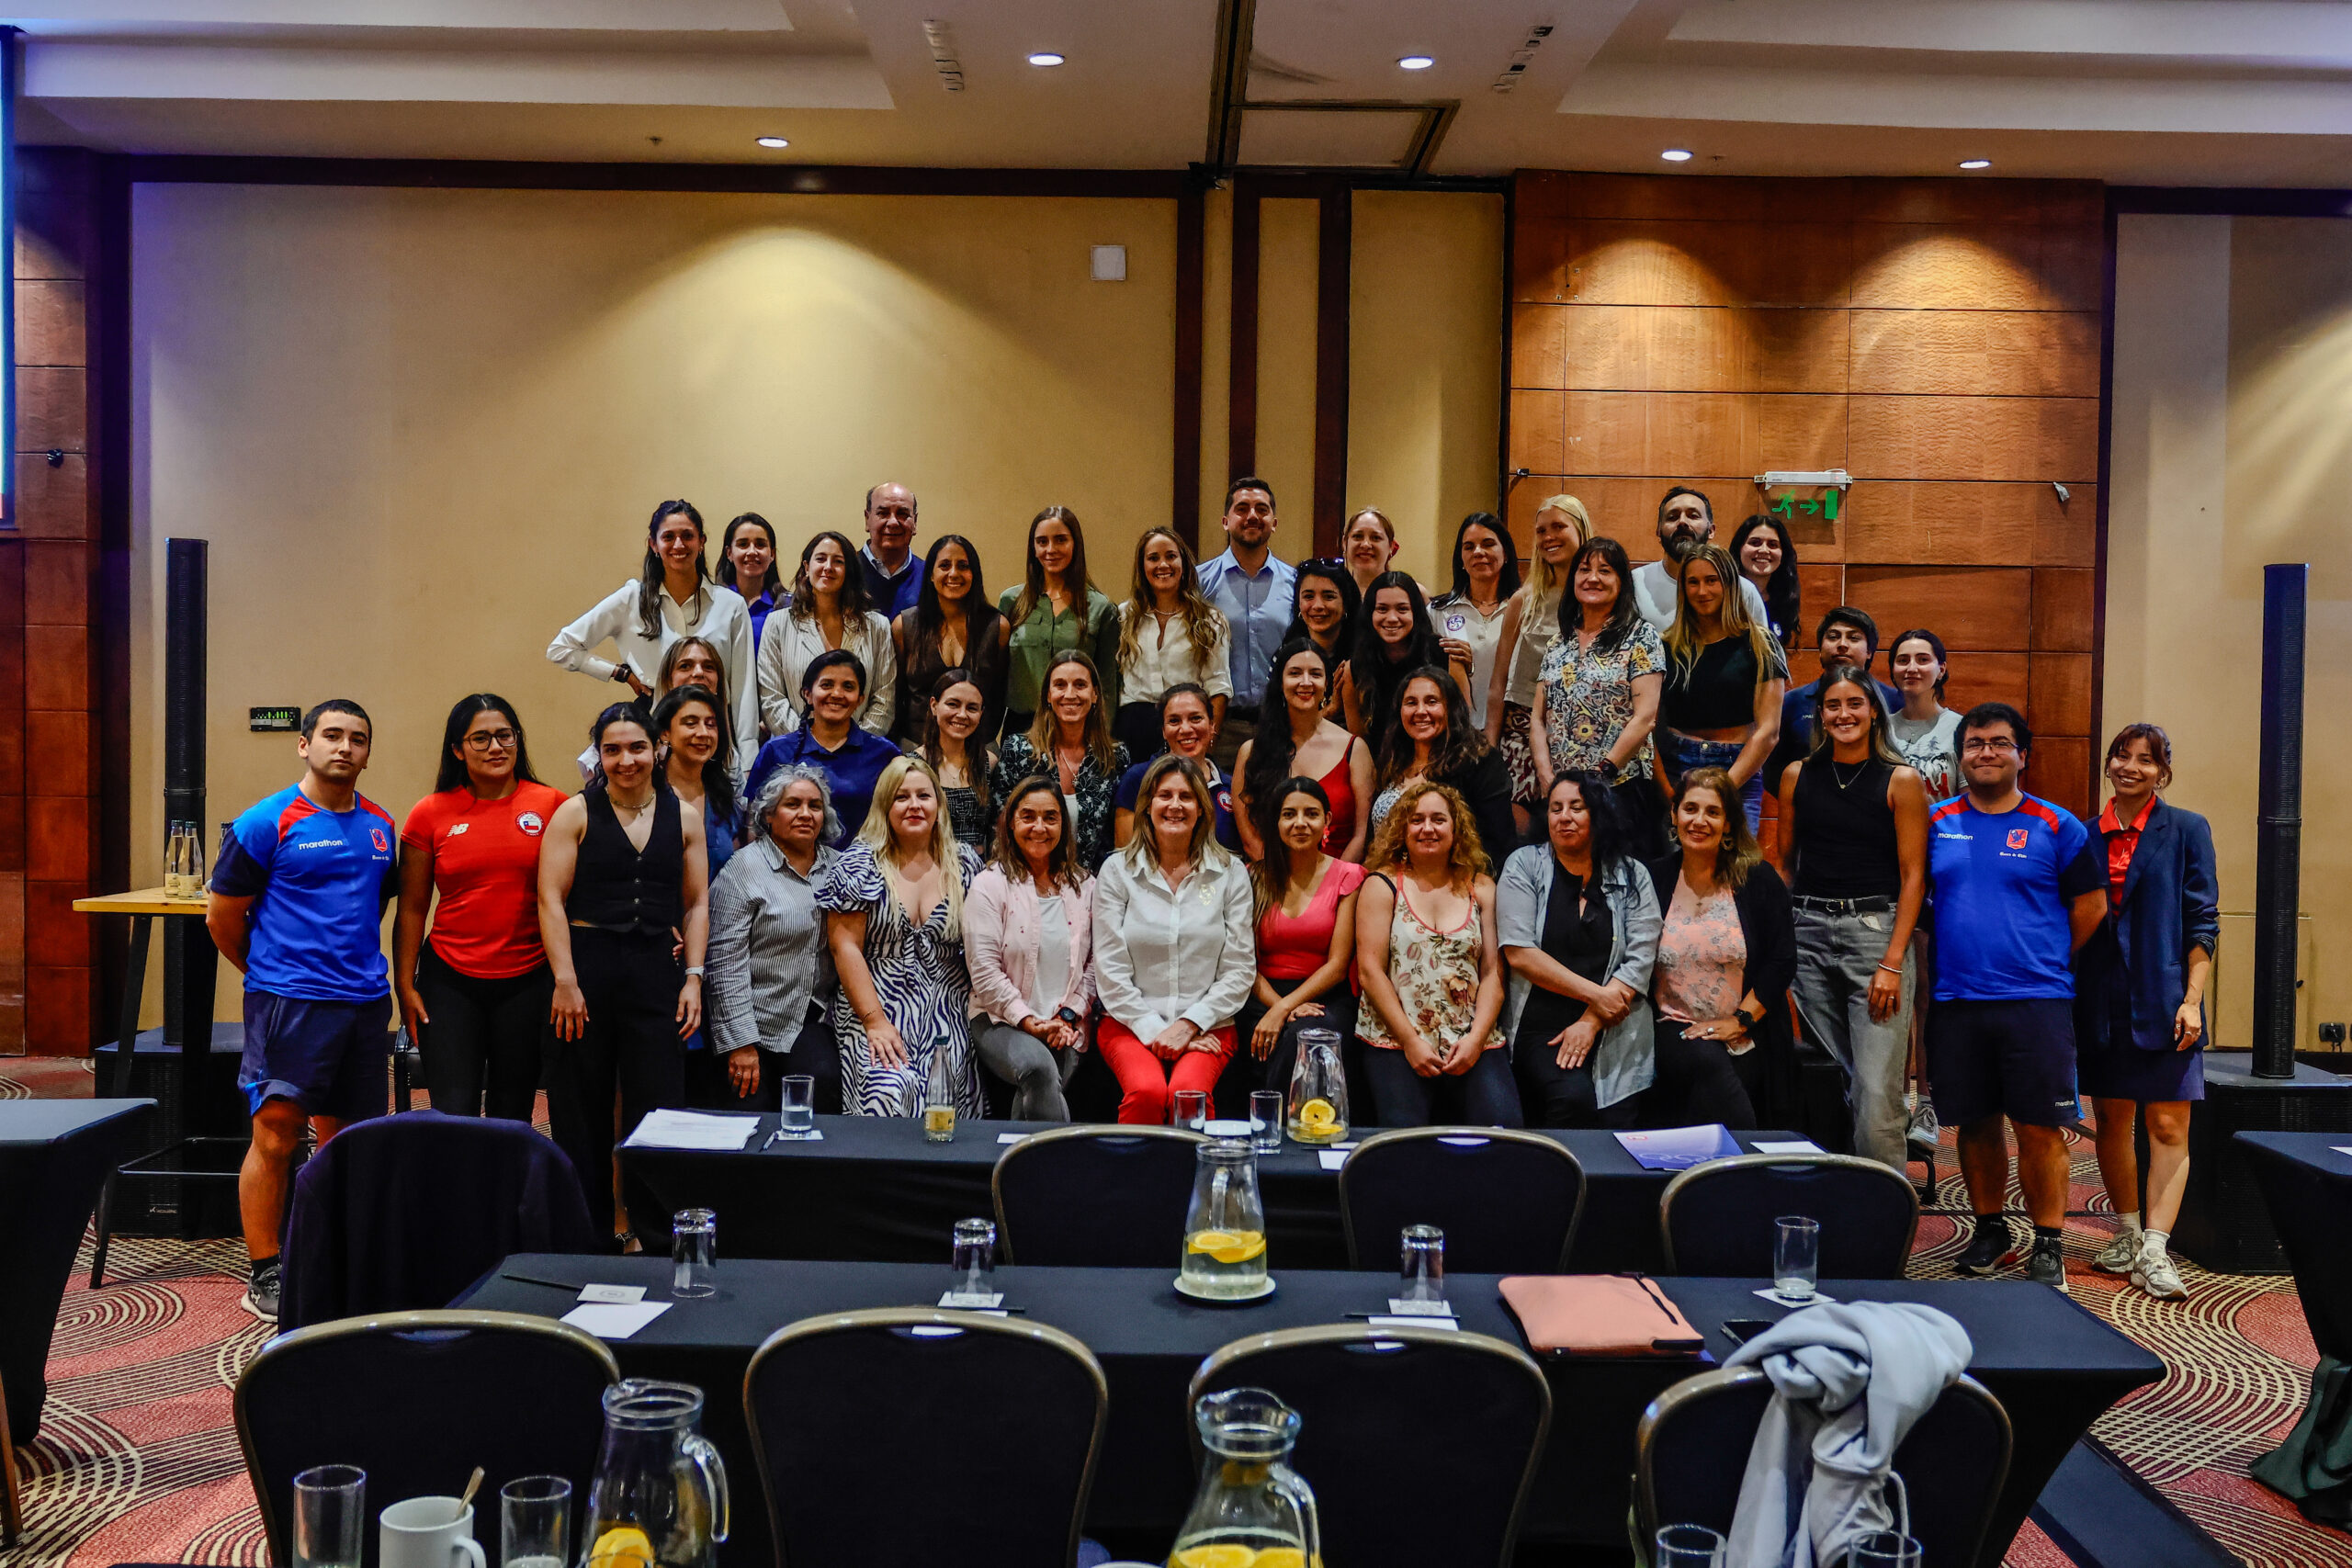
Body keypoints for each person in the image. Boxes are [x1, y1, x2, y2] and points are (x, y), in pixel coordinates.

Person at [207, 700, 399, 1321]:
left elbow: (372, 908)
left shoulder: (381, 825)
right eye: (332, 735)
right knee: (276, 1134)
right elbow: (223, 918)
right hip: (291, 1005)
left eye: (358, 738)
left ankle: (333, 1254)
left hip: (365, 1005)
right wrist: (272, 976)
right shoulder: (265, 822)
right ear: (304, 744)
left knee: (346, 1141)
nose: (345, 747)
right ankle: (267, 1268)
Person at [1928, 703, 2108, 1292]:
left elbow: (2091, 907)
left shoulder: (2058, 826)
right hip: (1956, 999)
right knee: (1974, 1125)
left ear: (2022, 756)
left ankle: (2050, 1239)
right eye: (1975, 743)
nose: (1986, 752)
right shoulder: (1937, 821)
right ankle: (1989, 1229)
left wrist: (2046, 956)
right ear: (1961, 756)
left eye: (1999, 743)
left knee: (2039, 1127)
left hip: (2036, 999)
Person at [538, 703, 709, 1247]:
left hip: (656, 971)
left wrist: (694, 977)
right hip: (585, 970)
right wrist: (565, 979)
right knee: (580, 1109)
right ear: (599, 754)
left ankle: (657, 1235)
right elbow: (549, 900)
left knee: (658, 1108)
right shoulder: (574, 813)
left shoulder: (683, 815)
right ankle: (583, 1237)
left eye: (636, 747)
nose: (625, 760)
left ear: (657, 747)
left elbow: (699, 902)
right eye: (612, 749)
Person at [1771, 665, 1930, 1170]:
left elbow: (1913, 877)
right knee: (1831, 1079)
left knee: (1877, 1091)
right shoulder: (1797, 774)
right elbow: (1785, 864)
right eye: (1833, 705)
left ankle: (1883, 1224)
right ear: (1820, 713)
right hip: (1809, 932)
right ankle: (1837, 1197)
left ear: (1873, 712)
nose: (1844, 714)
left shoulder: (1900, 780)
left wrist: (1893, 961)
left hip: (1874, 935)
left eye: (1854, 704)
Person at [2079, 724, 2217, 1303]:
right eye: (2122, 756)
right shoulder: (2082, 834)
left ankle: (2157, 1249)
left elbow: (2202, 921)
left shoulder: (2186, 829)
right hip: (2100, 999)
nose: (2131, 767)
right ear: (2109, 765)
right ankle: (2129, 1232)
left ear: (2163, 771)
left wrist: (2193, 999)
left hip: (2165, 1001)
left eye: (2146, 760)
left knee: (2167, 1126)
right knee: (2111, 1121)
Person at [393, 694, 566, 1123]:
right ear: (457, 749)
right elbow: (413, 908)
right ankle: (457, 1193)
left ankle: (507, 1193)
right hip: (450, 983)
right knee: (453, 1113)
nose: (496, 748)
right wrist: (405, 983)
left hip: (529, 981)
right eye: (481, 739)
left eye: (505, 736)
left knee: (514, 1112)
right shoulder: (429, 814)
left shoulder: (553, 806)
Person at [1091, 755, 1256, 1123]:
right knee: (1147, 1093)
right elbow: (1110, 971)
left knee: (1190, 1097)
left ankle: (1201, 1183)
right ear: (1147, 806)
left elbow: (1239, 969)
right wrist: (1157, 1032)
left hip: (1209, 1025)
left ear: (1201, 808)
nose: (1175, 805)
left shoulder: (1230, 873)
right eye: (1165, 795)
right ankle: (1131, 1182)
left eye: (1186, 796)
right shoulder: (1117, 871)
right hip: (1129, 1022)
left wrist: (1188, 1026)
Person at [820, 755, 985, 1117]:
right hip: (875, 1005)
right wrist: (874, 1020)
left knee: (946, 1092)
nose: (914, 806)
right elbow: (843, 946)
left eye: (923, 796)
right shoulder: (860, 864)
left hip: (947, 1009)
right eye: (901, 797)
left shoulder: (965, 863)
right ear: (885, 805)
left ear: (938, 805)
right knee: (891, 1088)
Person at [548, 500, 758, 781]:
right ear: (653, 544)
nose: (679, 545)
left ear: (702, 542)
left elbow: (742, 688)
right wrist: (620, 673)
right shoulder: (632, 599)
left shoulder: (730, 605)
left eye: (687, 536)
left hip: (712, 740)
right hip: (653, 740)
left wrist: (747, 758)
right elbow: (561, 648)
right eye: (668, 537)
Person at [1498, 773, 1661, 1128]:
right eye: (1556, 808)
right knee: (1573, 1100)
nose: (1564, 817)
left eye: (1577, 807)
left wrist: (1591, 1019)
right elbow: (1519, 952)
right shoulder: (1525, 864)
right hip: (1541, 1026)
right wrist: (1595, 995)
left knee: (1618, 1123)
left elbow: (1640, 959)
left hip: (1615, 1027)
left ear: (1598, 814)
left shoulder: (1634, 874)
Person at [1354, 782, 1520, 1127]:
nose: (1427, 828)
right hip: (1396, 1039)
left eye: (1438, 819)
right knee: (1406, 1145)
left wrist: (1475, 1041)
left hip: (1471, 1038)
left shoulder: (1482, 886)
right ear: (1403, 828)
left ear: (1455, 828)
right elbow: (1370, 971)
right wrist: (1412, 1042)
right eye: (1417, 820)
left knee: (1505, 1134)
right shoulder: (1381, 884)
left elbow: (1493, 973)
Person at [1645, 767, 1796, 1131]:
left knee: (1720, 1087)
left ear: (1728, 823)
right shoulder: (1652, 878)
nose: (1699, 821)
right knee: (1707, 1064)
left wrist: (1739, 1021)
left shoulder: (1758, 879)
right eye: (1690, 809)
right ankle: (1749, 1171)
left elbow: (1782, 959)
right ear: (1674, 814)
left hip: (1746, 1028)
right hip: (1672, 1027)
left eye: (1713, 812)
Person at [706, 764, 842, 1113]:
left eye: (814, 805)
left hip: (813, 1019)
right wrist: (741, 1044)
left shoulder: (841, 869)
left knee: (821, 1092)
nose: (805, 814)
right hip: (755, 1022)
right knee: (751, 1114)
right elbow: (724, 964)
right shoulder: (743, 870)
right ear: (768, 815)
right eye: (792, 804)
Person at [1230, 777, 1366, 1114]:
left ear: (1327, 822)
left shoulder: (1349, 876)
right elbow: (1245, 960)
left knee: (1304, 1035)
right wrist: (1278, 1007)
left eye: (1311, 814)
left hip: (1325, 997)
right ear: (1276, 822)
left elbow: (1337, 965)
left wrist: (1284, 1011)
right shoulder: (1253, 877)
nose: (1300, 823)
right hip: (1261, 994)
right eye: (1289, 814)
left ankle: (1269, 1128)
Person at [966, 775, 1097, 1121]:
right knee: (1038, 1069)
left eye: (1050, 817)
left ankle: (1012, 1169)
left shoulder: (1086, 886)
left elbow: (1098, 963)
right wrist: (1029, 1022)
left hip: (1068, 1024)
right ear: (1011, 823)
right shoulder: (989, 885)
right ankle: (1061, 1170)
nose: (1039, 827)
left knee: (1037, 1091)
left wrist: (1067, 1016)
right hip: (1000, 1021)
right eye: (1028, 816)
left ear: (1063, 825)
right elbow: (984, 971)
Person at [1531, 535, 1668, 861]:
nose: (1592, 578)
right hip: (1560, 793)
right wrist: (1546, 775)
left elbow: (1646, 716)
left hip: (1619, 789)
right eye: (1584, 569)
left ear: (1621, 582)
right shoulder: (1557, 643)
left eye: (1605, 571)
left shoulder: (1641, 636)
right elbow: (1537, 717)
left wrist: (1599, 775)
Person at [1657, 544, 1786, 831]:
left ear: (1729, 584)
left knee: (1735, 870)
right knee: (1676, 868)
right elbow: (1647, 725)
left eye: (1711, 580)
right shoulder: (1665, 646)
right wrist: (1667, 792)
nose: (1702, 591)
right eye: (1693, 582)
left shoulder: (1761, 644)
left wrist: (1722, 789)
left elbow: (1768, 732)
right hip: (1677, 766)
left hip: (1737, 768)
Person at [1490, 493, 1590, 816]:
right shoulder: (1524, 600)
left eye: (1558, 527)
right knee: (1520, 836)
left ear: (1580, 530)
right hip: (1520, 735)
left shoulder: (1600, 596)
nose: (1549, 537)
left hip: (1580, 735)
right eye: (1541, 530)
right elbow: (1498, 680)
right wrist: (1491, 747)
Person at [744, 650, 901, 846]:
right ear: (808, 694)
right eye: (827, 685)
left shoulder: (884, 755)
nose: (836, 694)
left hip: (862, 871)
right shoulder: (775, 751)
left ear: (861, 699)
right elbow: (754, 823)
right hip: (786, 871)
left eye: (848, 687)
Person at [990, 649, 1128, 873]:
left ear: (1095, 695)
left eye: (1080, 685)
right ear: (1048, 694)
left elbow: (1113, 839)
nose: (1070, 694)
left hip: (1090, 885)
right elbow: (998, 827)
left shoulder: (1114, 758)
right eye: (1060, 685)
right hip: (1023, 881)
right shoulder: (1018, 750)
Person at [1367, 669, 1518, 871]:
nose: (1421, 711)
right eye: (1411, 703)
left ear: (1451, 708)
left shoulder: (1480, 762)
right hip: (1384, 883)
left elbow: (1498, 844)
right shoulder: (1392, 762)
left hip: (1451, 887)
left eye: (1431, 702)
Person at [1238, 640, 1374, 863]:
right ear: (1280, 683)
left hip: (1341, 884)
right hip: (1271, 882)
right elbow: (1249, 837)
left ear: (1327, 684)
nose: (1306, 682)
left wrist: (1331, 884)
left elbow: (1362, 835)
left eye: (1316, 674)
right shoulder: (1251, 751)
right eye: (1295, 673)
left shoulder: (1354, 749)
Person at [1196, 478, 1296, 773]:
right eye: (1242, 509)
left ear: (1274, 522)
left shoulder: (1296, 584)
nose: (1252, 516)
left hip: (1280, 724)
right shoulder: (1199, 582)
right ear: (1226, 521)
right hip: (1220, 727)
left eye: (1261, 510)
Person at [758, 531, 897, 739]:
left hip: (860, 757)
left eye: (838, 561)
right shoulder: (778, 623)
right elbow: (772, 699)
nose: (828, 567)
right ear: (807, 567)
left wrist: (852, 747)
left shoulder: (878, 627)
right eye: (821, 559)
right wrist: (810, 744)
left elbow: (884, 701)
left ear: (848, 570)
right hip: (795, 754)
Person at [999, 506, 1120, 738]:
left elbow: (1107, 685)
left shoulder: (1100, 607)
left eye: (1060, 540)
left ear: (1076, 545)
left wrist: (1103, 738)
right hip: (1021, 728)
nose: (1050, 549)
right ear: (1033, 548)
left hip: (1078, 727)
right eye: (1042, 541)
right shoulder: (1011, 602)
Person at [1114, 525, 1231, 760]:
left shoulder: (1209, 620)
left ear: (1183, 563)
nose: (1163, 565)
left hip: (1185, 728)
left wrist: (1209, 739)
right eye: (1153, 558)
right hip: (1132, 729)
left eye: (1170, 556)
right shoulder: (1123, 616)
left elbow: (1218, 685)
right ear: (1142, 566)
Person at [1762, 608, 1904, 796]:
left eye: (1853, 638)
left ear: (1870, 651)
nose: (1842, 644)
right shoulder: (1790, 702)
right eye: (1833, 637)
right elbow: (1771, 769)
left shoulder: (1893, 701)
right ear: (1820, 648)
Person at [891, 534, 1010, 747]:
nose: (954, 573)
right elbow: (896, 696)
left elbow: (998, 696)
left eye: (963, 566)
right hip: (915, 745)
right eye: (944, 565)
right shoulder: (904, 626)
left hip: (977, 747)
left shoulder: (997, 627)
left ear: (974, 574)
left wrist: (983, 746)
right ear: (931, 574)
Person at [575, 636, 731, 784]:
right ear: (668, 680)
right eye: (685, 666)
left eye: (709, 667)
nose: (698, 673)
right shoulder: (631, 726)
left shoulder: (725, 739)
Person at [1340, 572, 1470, 739]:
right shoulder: (1354, 669)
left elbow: (1463, 727)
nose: (1392, 618)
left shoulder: (1446, 656)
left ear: (1415, 613)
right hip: (1379, 763)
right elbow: (1358, 741)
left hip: (1440, 760)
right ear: (1370, 614)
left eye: (1402, 609)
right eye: (1382, 609)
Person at [1114, 684, 1242, 853]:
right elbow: (1125, 857)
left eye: (1195, 718)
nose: (1186, 729)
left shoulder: (1231, 787)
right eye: (1174, 721)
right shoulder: (1137, 779)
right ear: (1163, 731)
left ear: (1212, 725)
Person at [1630, 486, 1771, 632]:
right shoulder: (1633, 584)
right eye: (1672, 517)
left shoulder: (1742, 590)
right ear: (1659, 532)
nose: (1682, 522)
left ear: (1711, 531)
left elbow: (1763, 651)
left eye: (1693, 516)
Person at [1429, 512, 1520, 732]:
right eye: (1469, 547)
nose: (1478, 552)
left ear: (1505, 554)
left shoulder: (1524, 609)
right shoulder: (1438, 611)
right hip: (1455, 731)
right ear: (1460, 559)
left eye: (1488, 544)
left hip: (1512, 731)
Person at [918, 669, 998, 852]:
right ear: (934, 705)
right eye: (953, 704)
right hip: (929, 868)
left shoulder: (990, 763)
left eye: (972, 708)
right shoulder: (913, 765)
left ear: (981, 713)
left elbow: (996, 827)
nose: (962, 715)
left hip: (978, 871)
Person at [1888, 627, 1962, 803]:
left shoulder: (1962, 728)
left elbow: (1969, 801)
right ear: (1893, 669)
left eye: (1923, 660)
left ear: (1941, 669)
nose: (1912, 668)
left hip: (1942, 829)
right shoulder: (1879, 728)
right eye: (1903, 660)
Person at [1280, 556, 1360, 682]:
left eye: (1329, 597)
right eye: (1308, 596)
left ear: (1345, 604)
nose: (1317, 606)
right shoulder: (1284, 655)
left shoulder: (1363, 660)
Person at [1728, 513, 1801, 650]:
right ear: (1740, 548)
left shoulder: (1783, 598)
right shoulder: (1723, 595)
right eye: (1755, 543)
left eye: (1773, 545)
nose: (1763, 550)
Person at [716, 512, 786, 655]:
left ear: (772, 554)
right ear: (729, 553)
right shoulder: (713, 604)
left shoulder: (787, 608)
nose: (752, 551)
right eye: (743, 544)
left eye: (760, 545)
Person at [859, 481, 925, 618]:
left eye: (903, 514)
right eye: (883, 513)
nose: (893, 522)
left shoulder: (930, 578)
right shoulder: (844, 572)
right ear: (867, 519)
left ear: (915, 522)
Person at [1340, 506, 1407, 600]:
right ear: (1344, 543)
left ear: (1391, 546)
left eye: (1376, 538)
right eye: (1358, 536)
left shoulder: (1409, 594)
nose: (1365, 545)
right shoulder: (1333, 595)